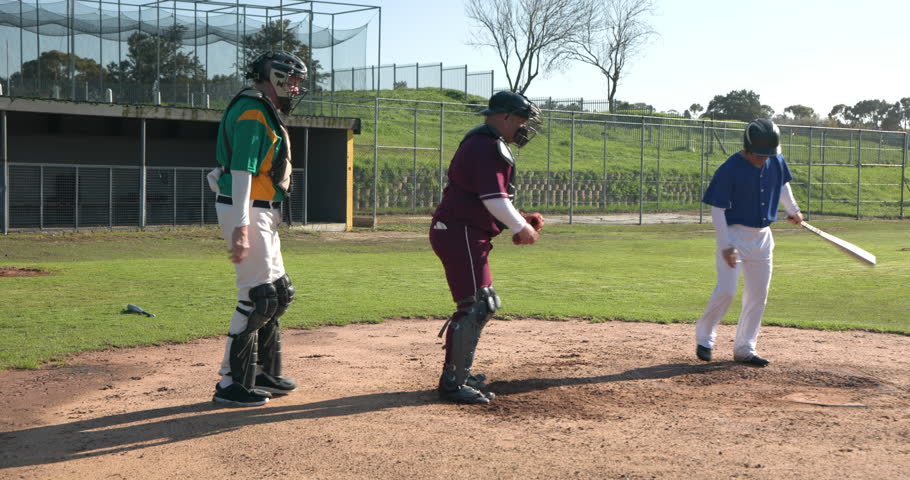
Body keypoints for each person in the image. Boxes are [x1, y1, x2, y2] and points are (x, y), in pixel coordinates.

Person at [429, 91, 545, 405]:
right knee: (475, 305)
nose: (524, 127)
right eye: (521, 120)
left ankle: (460, 375)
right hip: (460, 233)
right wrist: (521, 228)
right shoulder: (487, 145)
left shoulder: (484, 142)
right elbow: (493, 199)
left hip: (464, 232)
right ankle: (453, 384)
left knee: (482, 303)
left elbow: (486, 198)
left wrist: (519, 218)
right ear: (505, 116)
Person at [207, 50, 308, 407]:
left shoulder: (263, 108)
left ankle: (264, 372)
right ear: (276, 76)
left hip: (260, 209)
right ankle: (230, 383)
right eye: (292, 80)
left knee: (279, 293)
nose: (296, 87)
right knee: (256, 298)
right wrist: (241, 225)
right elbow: (241, 170)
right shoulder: (253, 110)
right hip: (247, 208)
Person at [695, 118, 803, 367]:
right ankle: (704, 336)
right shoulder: (729, 168)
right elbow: (717, 210)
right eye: (758, 154)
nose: (762, 158)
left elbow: (783, 184)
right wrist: (725, 245)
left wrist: (793, 210)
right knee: (727, 290)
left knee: (758, 295)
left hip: (763, 237)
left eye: (767, 154)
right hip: (734, 234)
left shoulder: (775, 159)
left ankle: (745, 348)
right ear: (747, 146)